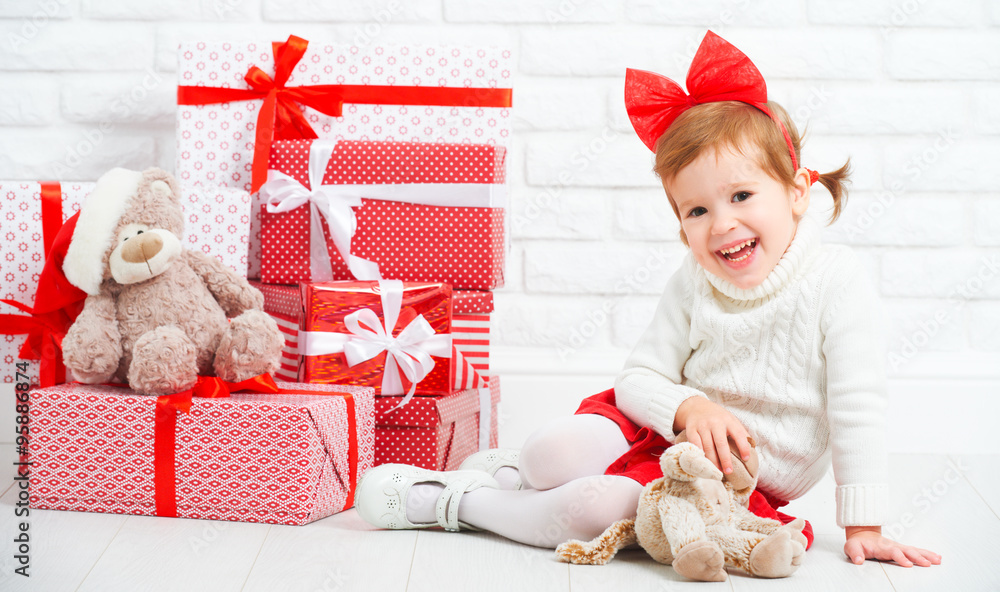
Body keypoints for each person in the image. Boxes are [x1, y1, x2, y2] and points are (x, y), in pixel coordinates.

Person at [355, 31, 941, 569]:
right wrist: (691, 408)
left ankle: (456, 503)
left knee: (595, 509)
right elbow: (640, 378)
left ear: (796, 191)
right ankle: (518, 473)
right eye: (697, 210)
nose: (721, 225)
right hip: (658, 426)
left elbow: (857, 409)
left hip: (725, 479)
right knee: (548, 452)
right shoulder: (694, 280)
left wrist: (864, 523)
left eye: (741, 194)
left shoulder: (836, 282)